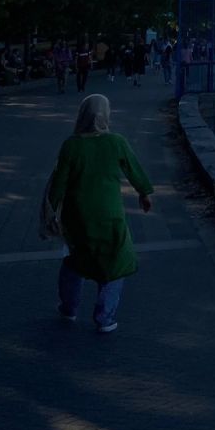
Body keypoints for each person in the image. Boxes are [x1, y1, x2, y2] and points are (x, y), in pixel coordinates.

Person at [44, 94, 154, 333]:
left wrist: (51, 213)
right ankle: (105, 318)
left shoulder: (71, 145)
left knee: (75, 260)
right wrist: (144, 193)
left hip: (77, 216)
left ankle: (69, 308)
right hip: (110, 212)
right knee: (115, 261)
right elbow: (133, 168)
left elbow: (59, 184)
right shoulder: (116, 142)